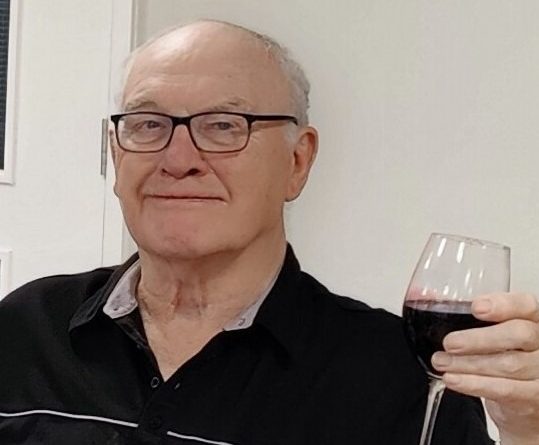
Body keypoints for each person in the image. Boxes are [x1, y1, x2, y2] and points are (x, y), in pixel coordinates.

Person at [0, 20, 538, 445]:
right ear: (117, 155)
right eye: (148, 125)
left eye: (223, 126)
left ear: (297, 162)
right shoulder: (26, 327)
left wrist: (526, 430)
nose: (179, 159)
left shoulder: (400, 379)